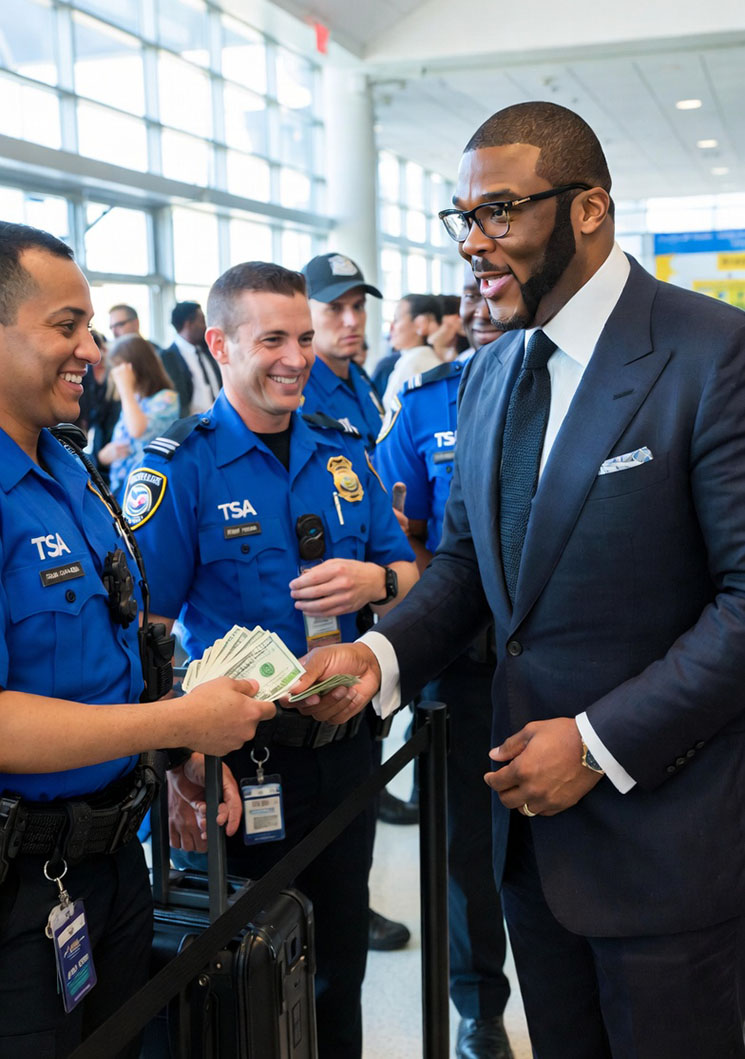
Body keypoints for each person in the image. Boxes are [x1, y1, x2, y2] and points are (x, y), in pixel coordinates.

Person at [290, 100, 745, 1059]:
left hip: (667, 842)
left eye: (500, 211)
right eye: (463, 218)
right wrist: (378, 657)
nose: (473, 244)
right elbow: (465, 565)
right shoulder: (490, 373)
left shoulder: (710, 353)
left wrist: (593, 743)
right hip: (529, 844)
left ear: (589, 210)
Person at [124, 260, 418, 1059]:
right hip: (238, 769)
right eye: (272, 340)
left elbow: (414, 580)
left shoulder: (343, 455)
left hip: (346, 754)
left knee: (339, 969)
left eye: (303, 336)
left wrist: (378, 579)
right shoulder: (177, 468)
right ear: (219, 344)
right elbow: (145, 631)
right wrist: (183, 754)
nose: (296, 358)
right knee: (242, 981)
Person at [0, 222, 275, 1058]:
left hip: (116, 861)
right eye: (66, 325)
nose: (92, 346)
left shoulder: (71, 467)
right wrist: (175, 726)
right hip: (18, 891)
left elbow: (123, 644)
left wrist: (175, 757)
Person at [374, 269, 513, 1059]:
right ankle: (478, 1006)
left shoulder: (588, 392)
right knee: (466, 850)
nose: (477, 307)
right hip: (461, 667)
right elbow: (409, 540)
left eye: (490, 288)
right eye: (465, 295)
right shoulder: (427, 406)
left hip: (572, 664)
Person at [300, 252, 386, 450]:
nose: (353, 321)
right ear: (304, 313)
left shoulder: (359, 377)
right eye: (335, 308)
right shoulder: (298, 391)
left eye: (358, 306)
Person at [97, 334, 179, 499]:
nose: (116, 375)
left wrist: (125, 389)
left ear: (137, 366)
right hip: (121, 489)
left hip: (148, 489)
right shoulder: (134, 400)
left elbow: (137, 430)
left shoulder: (166, 398)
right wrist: (105, 456)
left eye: (120, 367)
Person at [381, 293, 443, 411]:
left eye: (396, 319)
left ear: (421, 324)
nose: (391, 328)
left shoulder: (414, 363)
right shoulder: (424, 359)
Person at [75, 329, 121, 482]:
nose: (95, 357)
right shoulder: (81, 377)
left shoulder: (116, 376)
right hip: (89, 444)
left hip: (112, 442)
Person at [161, 300, 222, 417]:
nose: (206, 326)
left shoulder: (209, 349)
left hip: (220, 419)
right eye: (202, 320)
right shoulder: (167, 358)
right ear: (188, 323)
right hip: (192, 426)